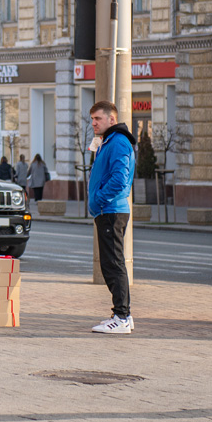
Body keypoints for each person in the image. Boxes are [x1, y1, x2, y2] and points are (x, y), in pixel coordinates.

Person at [87, 100, 136, 335]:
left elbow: (120, 179)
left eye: (98, 118)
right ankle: (122, 314)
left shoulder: (118, 142)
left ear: (111, 119)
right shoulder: (107, 141)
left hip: (111, 211)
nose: (94, 123)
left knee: (114, 264)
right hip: (107, 211)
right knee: (110, 263)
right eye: (93, 119)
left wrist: (99, 199)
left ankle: (122, 317)